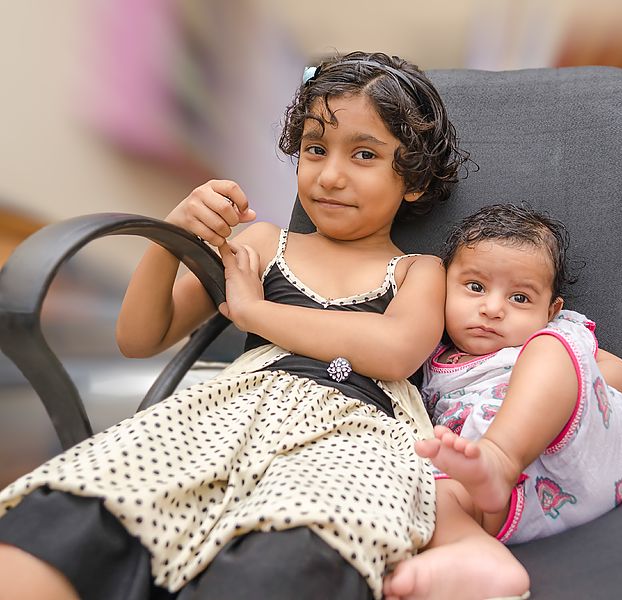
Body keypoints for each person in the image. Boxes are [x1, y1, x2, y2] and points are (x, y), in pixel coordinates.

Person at [0, 51, 469, 600]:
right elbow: (140, 337)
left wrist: (254, 312)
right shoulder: (264, 243)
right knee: (80, 508)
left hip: (353, 431)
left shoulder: (419, 270)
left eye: (364, 154)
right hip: (223, 416)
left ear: (412, 181)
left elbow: (394, 353)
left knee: (294, 553)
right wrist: (171, 235)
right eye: (315, 150)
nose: (331, 175)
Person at [383, 204, 622, 600]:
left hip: (578, 453)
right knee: (432, 491)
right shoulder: (428, 351)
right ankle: (476, 555)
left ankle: (501, 458)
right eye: (475, 287)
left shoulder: (552, 334)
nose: (493, 309)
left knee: (552, 349)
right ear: (443, 286)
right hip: (513, 501)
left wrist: (542, 388)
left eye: (520, 298)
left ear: (551, 309)